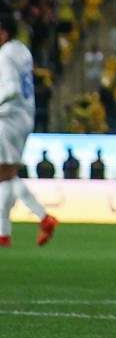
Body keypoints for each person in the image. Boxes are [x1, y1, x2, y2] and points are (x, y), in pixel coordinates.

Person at [0, 14, 58, 247]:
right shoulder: (22, 51)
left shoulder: (4, 55)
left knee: (4, 175)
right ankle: (3, 234)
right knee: (5, 176)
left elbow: (11, 88)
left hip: (7, 118)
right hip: (24, 117)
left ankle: (44, 218)